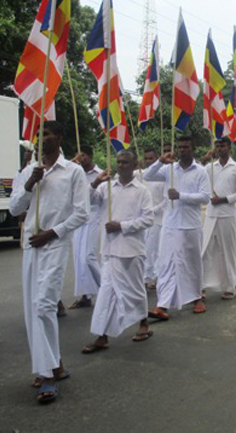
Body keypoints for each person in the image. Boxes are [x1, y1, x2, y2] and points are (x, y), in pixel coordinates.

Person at [9, 120, 90, 403]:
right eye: (38, 134)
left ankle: (45, 374)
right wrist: (30, 183)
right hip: (30, 247)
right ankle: (55, 364)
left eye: (47, 133)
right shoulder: (28, 172)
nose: (42, 138)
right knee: (34, 309)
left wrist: (52, 233)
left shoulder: (73, 172)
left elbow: (82, 213)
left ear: (59, 137)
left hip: (54, 245)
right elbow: (14, 208)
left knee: (44, 304)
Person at [82, 151, 155, 353]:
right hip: (110, 249)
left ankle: (143, 323)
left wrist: (122, 226)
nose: (120, 166)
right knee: (107, 292)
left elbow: (148, 219)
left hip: (132, 249)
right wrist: (96, 181)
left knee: (135, 290)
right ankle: (101, 335)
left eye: (125, 162)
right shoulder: (107, 188)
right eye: (119, 162)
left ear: (134, 165)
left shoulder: (142, 191)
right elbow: (86, 199)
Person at [144, 136, 211, 319]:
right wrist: (160, 161)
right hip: (170, 224)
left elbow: (205, 197)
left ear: (193, 148)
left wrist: (181, 196)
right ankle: (162, 305)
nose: (182, 150)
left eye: (186, 147)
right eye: (180, 147)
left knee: (192, 263)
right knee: (167, 264)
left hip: (191, 224)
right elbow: (147, 176)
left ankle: (197, 297)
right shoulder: (168, 169)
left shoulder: (201, 171)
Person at [201, 136, 236, 300]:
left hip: (227, 214)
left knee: (227, 251)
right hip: (211, 214)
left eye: (222, 145)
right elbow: (199, 180)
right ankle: (202, 286)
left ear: (229, 147)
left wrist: (224, 199)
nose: (219, 148)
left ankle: (229, 287)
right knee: (204, 250)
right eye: (217, 146)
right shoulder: (210, 167)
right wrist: (204, 160)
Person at [68, 145, 103, 310]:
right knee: (79, 259)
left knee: (89, 256)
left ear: (90, 156)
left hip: (94, 217)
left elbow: (93, 200)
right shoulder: (74, 172)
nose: (80, 159)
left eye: (82, 155)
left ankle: (107, 290)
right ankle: (86, 295)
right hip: (78, 218)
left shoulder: (100, 174)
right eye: (77, 155)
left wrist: (94, 184)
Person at [141, 148, 166, 291]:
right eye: (147, 159)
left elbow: (165, 200)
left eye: (152, 159)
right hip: (144, 220)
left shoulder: (162, 176)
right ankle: (145, 278)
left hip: (158, 219)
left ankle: (156, 278)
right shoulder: (143, 175)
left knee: (155, 250)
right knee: (145, 250)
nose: (149, 161)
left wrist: (153, 211)